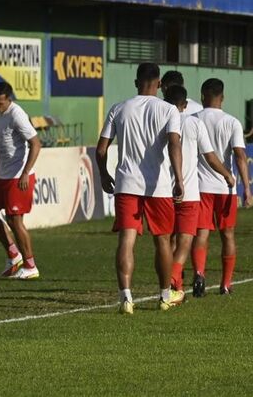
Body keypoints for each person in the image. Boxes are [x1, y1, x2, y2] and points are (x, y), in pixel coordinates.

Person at [95, 62, 184, 315]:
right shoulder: (168, 109)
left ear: (136, 82)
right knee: (163, 242)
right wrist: (179, 178)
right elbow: (174, 145)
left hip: (126, 184)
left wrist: (103, 175)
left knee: (126, 240)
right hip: (158, 186)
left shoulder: (119, 108)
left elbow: (101, 150)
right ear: (159, 84)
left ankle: (126, 298)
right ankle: (165, 296)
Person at [162, 85, 235, 297]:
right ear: (185, 105)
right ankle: (172, 280)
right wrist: (227, 174)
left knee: (167, 240)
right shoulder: (194, 122)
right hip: (189, 192)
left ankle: (176, 286)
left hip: (162, 191)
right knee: (185, 240)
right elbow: (210, 157)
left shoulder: (159, 121)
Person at [190, 78, 253, 296]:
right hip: (226, 188)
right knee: (228, 236)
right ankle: (225, 284)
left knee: (201, 234)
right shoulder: (232, 122)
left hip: (199, 187)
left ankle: (199, 273)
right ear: (222, 97)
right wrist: (247, 188)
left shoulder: (193, 119)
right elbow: (240, 156)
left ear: (202, 96)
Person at [0, 81, 41, 279]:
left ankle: (31, 266)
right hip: (3, 174)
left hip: (18, 175)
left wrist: (26, 172)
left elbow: (35, 144)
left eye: (0, 103)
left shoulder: (17, 115)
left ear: (9, 100)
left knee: (14, 220)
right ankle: (14, 255)